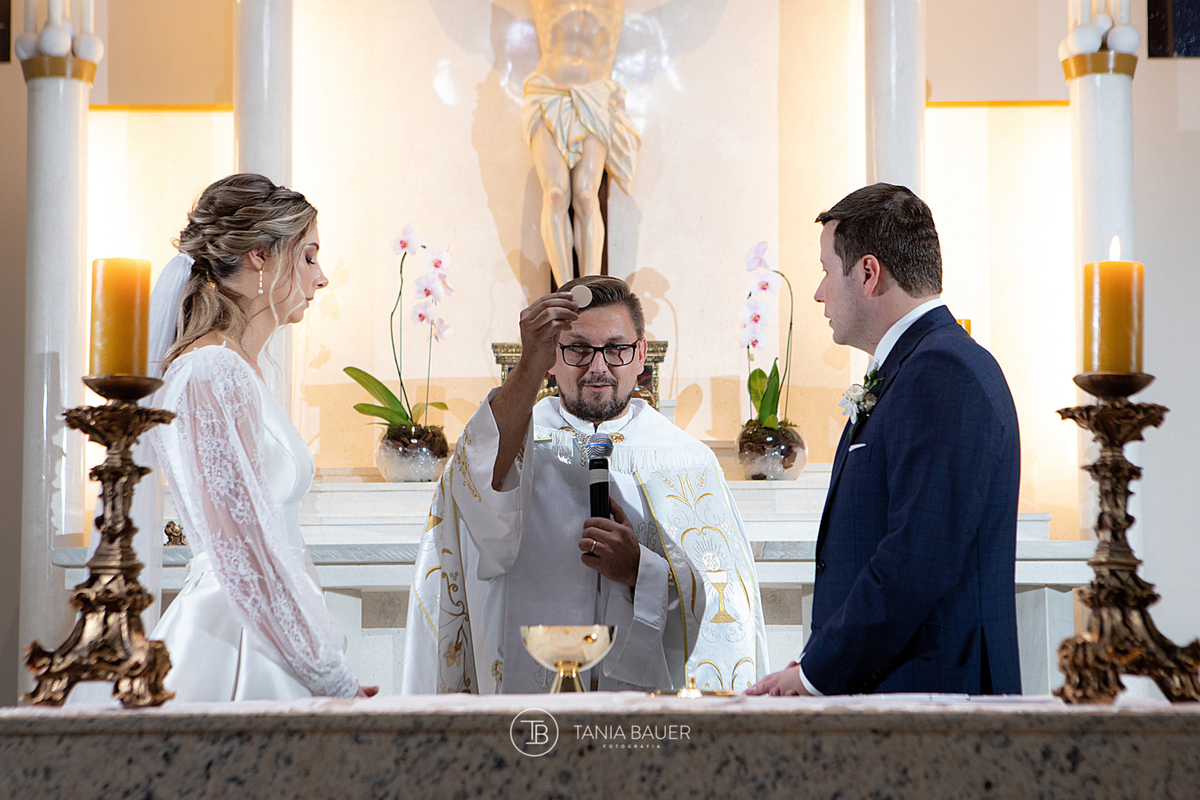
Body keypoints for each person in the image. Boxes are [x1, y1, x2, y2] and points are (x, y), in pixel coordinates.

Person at [404, 276, 767, 694]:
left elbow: (725, 605)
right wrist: (528, 364)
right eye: (577, 349)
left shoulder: (685, 459)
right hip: (526, 709)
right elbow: (473, 494)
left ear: (641, 354)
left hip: (642, 717)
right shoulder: (513, 439)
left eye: (616, 349)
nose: (598, 367)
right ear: (552, 358)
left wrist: (639, 570)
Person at [748, 183, 1021, 697]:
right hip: (900, 692)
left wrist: (813, 677)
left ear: (868, 273)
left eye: (827, 271)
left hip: (934, 699)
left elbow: (916, 560)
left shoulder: (943, 371)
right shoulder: (916, 367)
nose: (819, 293)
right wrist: (817, 660)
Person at [145, 173, 377, 701]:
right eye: (309, 256)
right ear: (260, 257)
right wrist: (327, 677)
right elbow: (241, 547)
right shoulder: (210, 372)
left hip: (265, 626)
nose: (321, 279)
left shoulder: (239, 371)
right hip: (236, 639)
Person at [523, 0, 641, 286]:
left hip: (594, 96)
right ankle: (564, 293)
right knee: (555, 193)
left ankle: (591, 292)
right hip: (548, 92)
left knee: (587, 197)